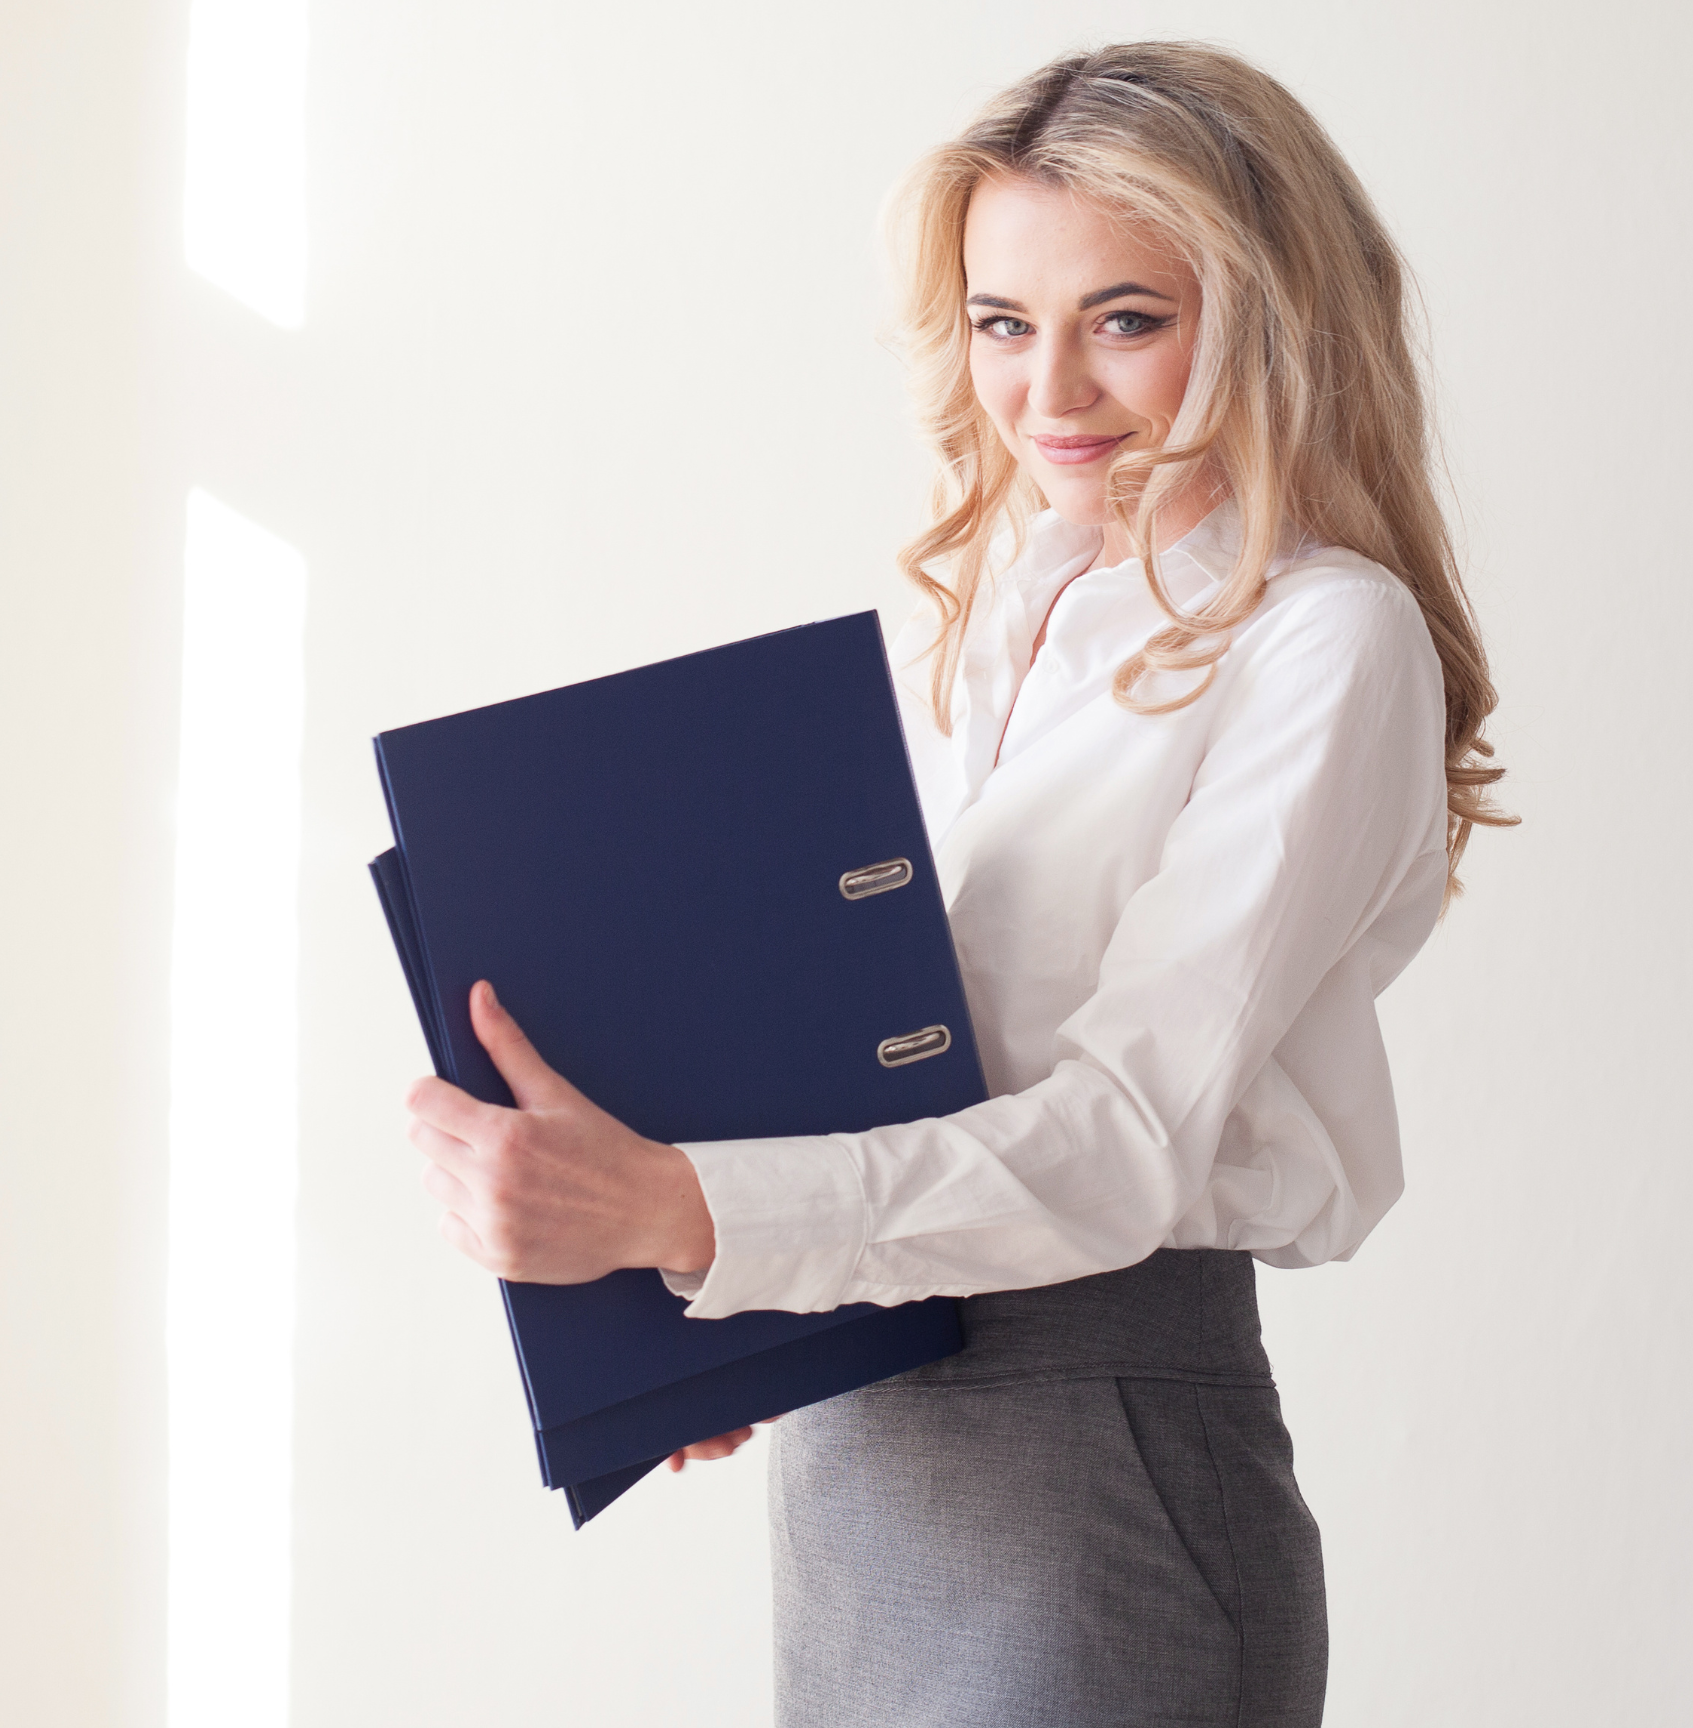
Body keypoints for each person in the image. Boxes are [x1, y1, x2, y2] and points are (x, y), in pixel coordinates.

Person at [401, 40, 1508, 1728]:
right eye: (1003, 322)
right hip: (863, 1442)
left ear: (1269, 317)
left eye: (1125, 317)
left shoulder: (1326, 638)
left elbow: (1127, 1139)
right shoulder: (1003, 597)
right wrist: (717, 1303)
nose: (1049, 388)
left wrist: (691, 1213)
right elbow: (893, 1057)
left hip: (1097, 1465)